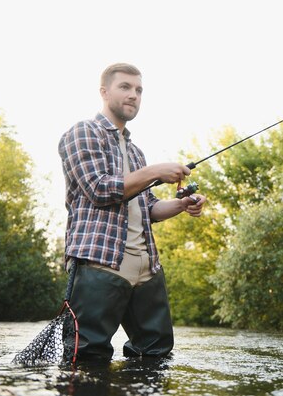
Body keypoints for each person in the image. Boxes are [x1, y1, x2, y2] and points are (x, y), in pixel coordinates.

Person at [58, 63, 206, 362]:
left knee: (156, 354)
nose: (133, 95)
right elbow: (99, 189)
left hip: (147, 267)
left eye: (138, 90)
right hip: (100, 264)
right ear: (104, 92)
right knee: (88, 357)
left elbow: (148, 207)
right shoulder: (83, 132)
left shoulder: (136, 152)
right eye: (125, 87)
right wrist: (155, 171)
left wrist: (181, 204)